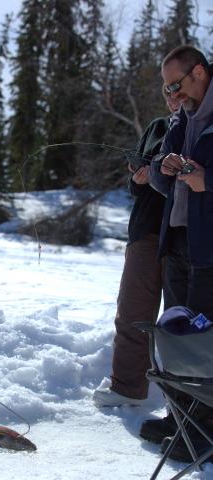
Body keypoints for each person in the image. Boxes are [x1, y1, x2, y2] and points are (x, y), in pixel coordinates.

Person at [140, 45, 213, 460]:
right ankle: (180, 418)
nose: (172, 94)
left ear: (199, 72)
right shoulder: (181, 117)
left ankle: (204, 433)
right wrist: (161, 169)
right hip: (180, 240)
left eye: (175, 85)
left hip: (210, 249)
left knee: (204, 343)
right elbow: (157, 177)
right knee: (175, 336)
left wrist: (210, 181)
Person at [93, 93, 180, 407]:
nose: (173, 97)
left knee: (180, 321)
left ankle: (182, 402)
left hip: (183, 235)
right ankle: (127, 389)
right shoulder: (157, 127)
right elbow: (134, 186)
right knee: (132, 311)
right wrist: (139, 177)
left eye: (178, 89)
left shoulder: (201, 129)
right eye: (167, 90)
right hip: (145, 230)